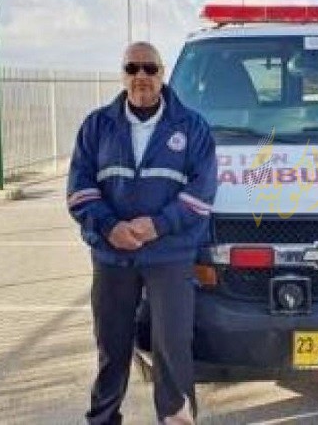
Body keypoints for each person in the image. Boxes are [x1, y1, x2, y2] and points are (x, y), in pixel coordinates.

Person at [67, 41, 217, 425]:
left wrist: (158, 225)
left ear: (162, 74)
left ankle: (176, 420)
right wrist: (109, 226)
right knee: (111, 347)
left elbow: (202, 194)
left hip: (170, 256)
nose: (141, 77)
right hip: (112, 256)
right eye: (132, 68)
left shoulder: (193, 127)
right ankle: (103, 419)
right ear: (122, 75)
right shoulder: (97, 126)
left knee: (172, 348)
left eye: (149, 68)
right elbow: (79, 190)